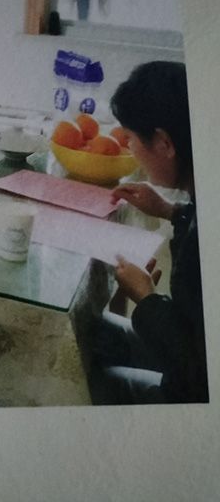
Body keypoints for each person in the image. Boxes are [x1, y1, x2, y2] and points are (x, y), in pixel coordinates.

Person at [89, 61, 207, 404]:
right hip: (187, 357)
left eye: (130, 139)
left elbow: (199, 367)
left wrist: (147, 298)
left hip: (191, 396)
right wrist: (171, 211)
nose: (129, 149)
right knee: (94, 335)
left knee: (83, 377)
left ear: (165, 143)